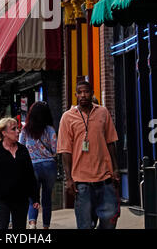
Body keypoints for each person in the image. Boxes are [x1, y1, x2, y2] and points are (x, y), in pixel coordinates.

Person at [57, 80, 120, 229]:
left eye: (86, 92)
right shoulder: (67, 117)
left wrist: (116, 169)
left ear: (92, 93)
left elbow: (111, 142)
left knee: (110, 220)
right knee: (85, 225)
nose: (83, 95)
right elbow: (65, 150)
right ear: (75, 95)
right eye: (80, 93)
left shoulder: (103, 112)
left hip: (105, 177)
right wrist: (69, 179)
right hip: (81, 182)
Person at [0, 117, 40, 230]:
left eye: (18, 128)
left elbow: (30, 175)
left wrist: (35, 197)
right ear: (4, 133)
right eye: (14, 129)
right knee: (2, 226)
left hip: (20, 198)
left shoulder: (23, 150)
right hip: (1, 199)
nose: (18, 131)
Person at [19, 101, 57, 229]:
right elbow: (55, 149)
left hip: (32, 165)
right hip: (49, 165)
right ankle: (46, 226)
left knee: (32, 197)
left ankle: (32, 223)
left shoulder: (25, 129)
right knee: (47, 197)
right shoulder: (50, 129)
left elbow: (20, 146)